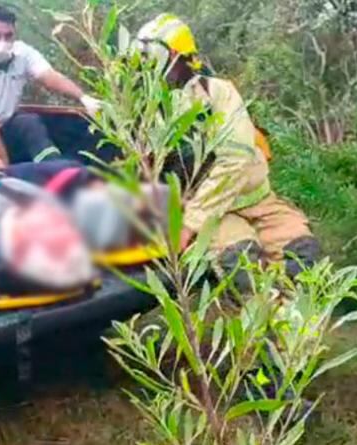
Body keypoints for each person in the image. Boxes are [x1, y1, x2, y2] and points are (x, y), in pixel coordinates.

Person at [134, 14, 322, 288]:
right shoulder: (151, 110)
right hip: (212, 215)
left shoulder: (219, 93)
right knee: (242, 265)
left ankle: (292, 325)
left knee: (302, 255)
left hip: (258, 203)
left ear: (174, 54)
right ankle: (257, 325)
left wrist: (188, 225)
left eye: (152, 54)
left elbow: (236, 158)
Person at [0, 5, 102, 164]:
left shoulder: (21, 54)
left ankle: (55, 167)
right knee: (24, 126)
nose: (2, 42)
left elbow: (48, 76)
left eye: (8, 36)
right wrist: (5, 168)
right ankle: (45, 171)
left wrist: (83, 97)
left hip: (6, 124)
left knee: (33, 123)